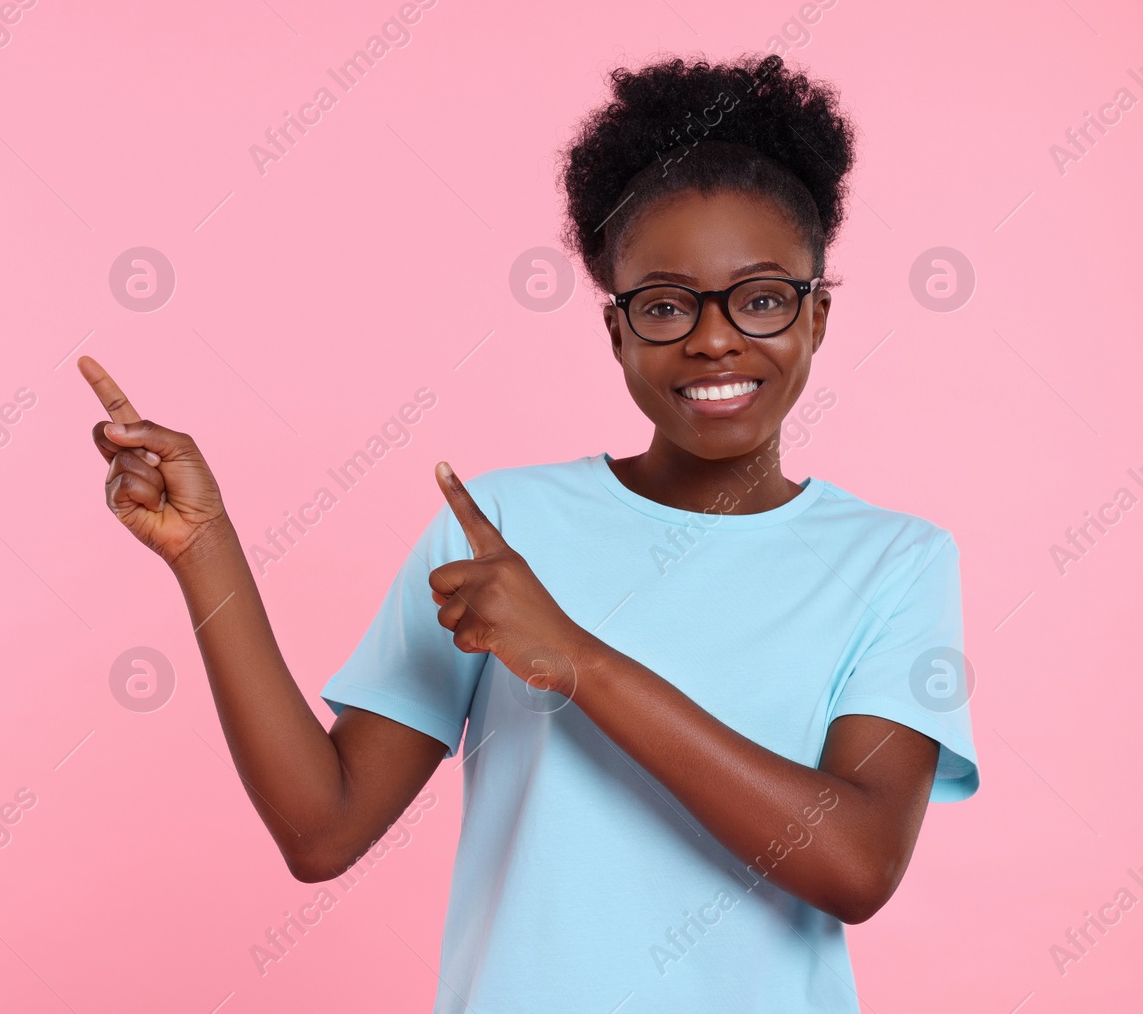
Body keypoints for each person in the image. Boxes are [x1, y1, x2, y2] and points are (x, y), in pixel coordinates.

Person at [80, 51, 979, 1012]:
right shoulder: (503, 526)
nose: (714, 339)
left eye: (760, 298)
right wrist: (203, 549)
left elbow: (855, 864)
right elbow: (322, 830)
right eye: (666, 305)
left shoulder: (895, 560)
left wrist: (574, 659)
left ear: (818, 316)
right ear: (617, 332)